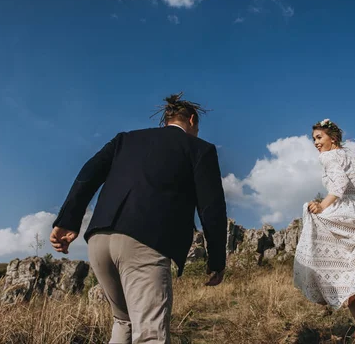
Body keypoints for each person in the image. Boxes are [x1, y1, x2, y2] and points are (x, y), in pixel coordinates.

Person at [49, 93, 228, 344]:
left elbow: (88, 173)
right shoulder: (200, 149)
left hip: (99, 239)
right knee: (151, 334)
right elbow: (212, 208)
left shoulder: (125, 139)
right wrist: (217, 259)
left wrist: (68, 221)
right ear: (192, 119)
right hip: (146, 242)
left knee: (124, 322)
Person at [294, 119, 355, 344]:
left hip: (341, 216)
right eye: (314, 139)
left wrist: (322, 205)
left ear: (333, 138)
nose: (316, 143)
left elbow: (338, 185)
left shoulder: (328, 156)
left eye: (319, 138)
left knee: (343, 274)